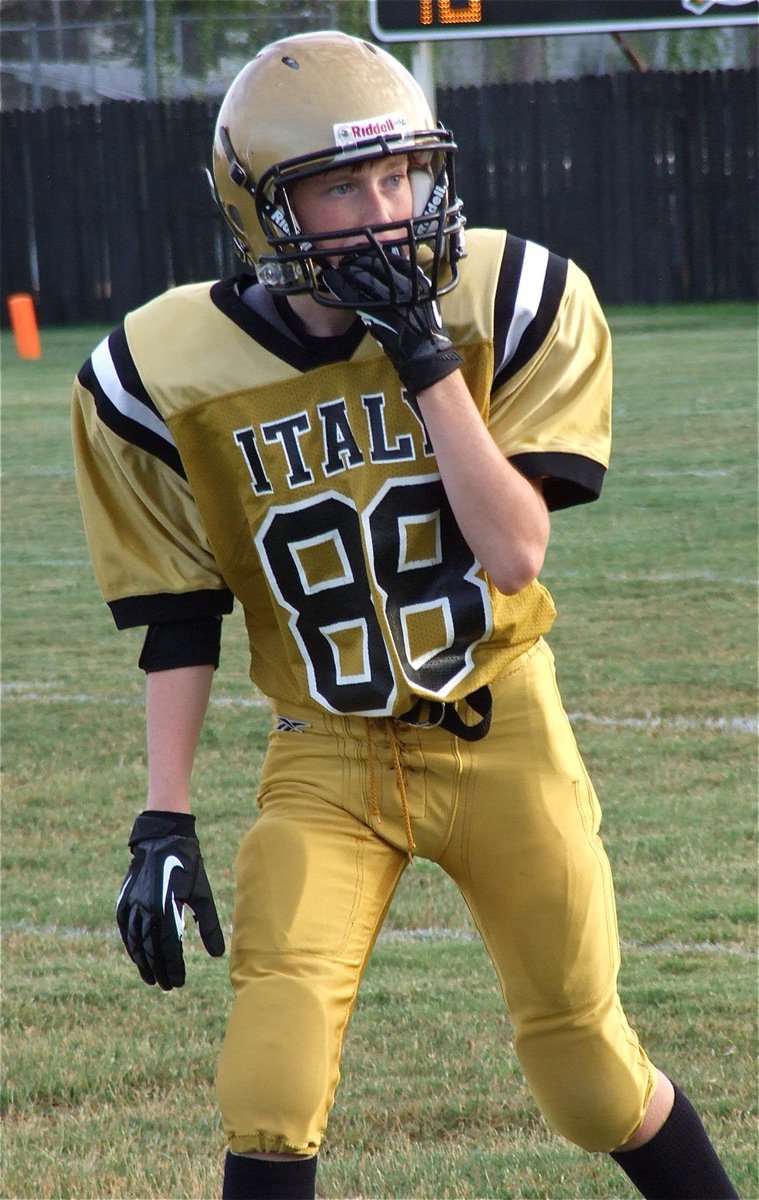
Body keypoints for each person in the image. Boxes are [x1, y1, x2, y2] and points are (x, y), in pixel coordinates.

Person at [72, 30, 739, 1200]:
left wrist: (424, 355)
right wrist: (159, 819)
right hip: (323, 752)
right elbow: (180, 615)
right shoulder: (159, 368)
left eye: (403, 176)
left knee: (587, 1075)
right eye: (342, 186)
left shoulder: (503, 298)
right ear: (262, 210)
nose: (387, 212)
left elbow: (516, 551)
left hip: (502, 729)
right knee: (269, 1090)